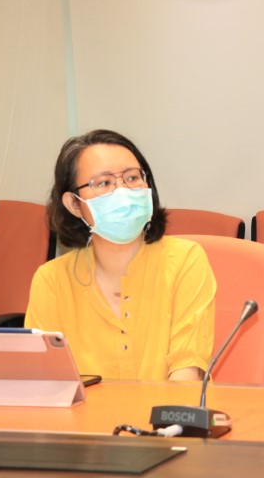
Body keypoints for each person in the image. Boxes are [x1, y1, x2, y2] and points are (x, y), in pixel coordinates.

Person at [25, 129, 216, 381]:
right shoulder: (51, 279)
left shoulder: (185, 260)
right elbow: (44, 378)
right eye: (104, 183)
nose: (123, 191)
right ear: (74, 204)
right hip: (85, 408)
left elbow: (187, 371)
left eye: (132, 178)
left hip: (170, 407)